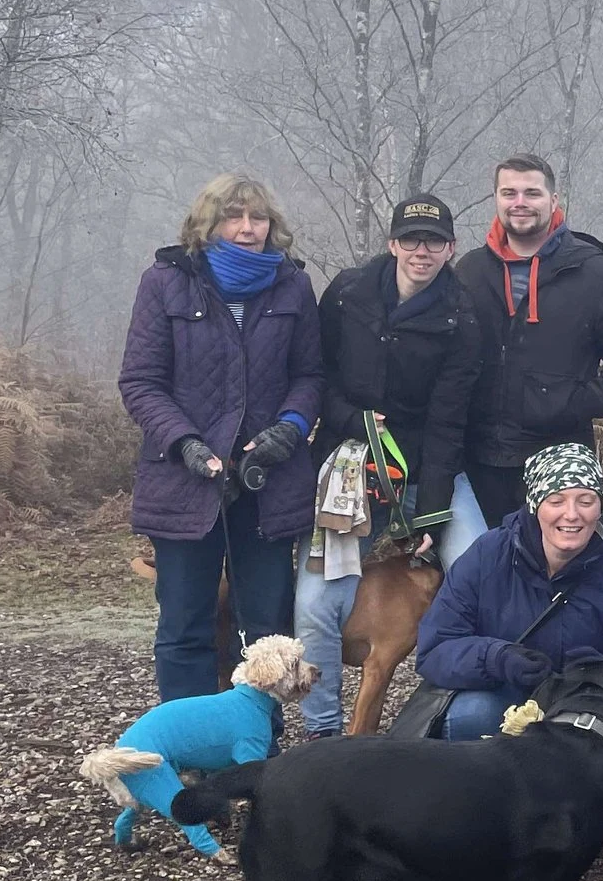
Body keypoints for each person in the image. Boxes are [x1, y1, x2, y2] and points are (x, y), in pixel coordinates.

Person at [120, 173, 324, 703]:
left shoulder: (294, 285)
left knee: (268, 630)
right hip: (183, 485)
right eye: (234, 216)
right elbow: (140, 382)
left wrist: (290, 429)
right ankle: (187, 750)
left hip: (270, 484)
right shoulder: (164, 282)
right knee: (186, 627)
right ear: (209, 224)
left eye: (258, 218)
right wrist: (185, 442)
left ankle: (258, 751)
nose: (247, 228)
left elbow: (311, 377)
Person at [292, 194, 487, 736]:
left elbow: (450, 423)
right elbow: (315, 377)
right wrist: (355, 420)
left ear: (450, 249)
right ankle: (324, 735)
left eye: (433, 241)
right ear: (392, 243)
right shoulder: (347, 294)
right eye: (410, 239)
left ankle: (454, 724)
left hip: (430, 469)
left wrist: (429, 517)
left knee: (481, 566)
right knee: (314, 604)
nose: (420, 251)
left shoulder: (462, 318)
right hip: (349, 467)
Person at [412, 443, 603, 746]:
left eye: (586, 501)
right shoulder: (487, 555)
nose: (571, 514)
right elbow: (436, 648)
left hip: (583, 709)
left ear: (600, 507)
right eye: (556, 500)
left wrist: (596, 678)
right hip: (498, 694)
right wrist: (497, 658)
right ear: (536, 504)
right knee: (473, 714)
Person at [455, 154, 603, 520]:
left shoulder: (595, 273)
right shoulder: (469, 270)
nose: (519, 203)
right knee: (480, 571)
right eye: (509, 193)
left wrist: (573, 403)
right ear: (496, 199)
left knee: (557, 569)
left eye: (531, 193)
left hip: (560, 457)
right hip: (476, 458)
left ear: (553, 200)